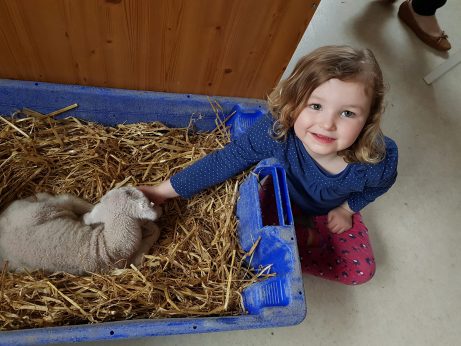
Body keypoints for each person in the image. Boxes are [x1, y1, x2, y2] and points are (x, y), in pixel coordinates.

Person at [139, 45, 398, 285]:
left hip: (328, 211)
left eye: (347, 113)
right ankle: (297, 243)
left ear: (369, 119)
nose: (327, 124)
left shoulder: (376, 159)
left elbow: (378, 187)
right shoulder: (276, 132)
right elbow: (226, 159)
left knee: (360, 272)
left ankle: (303, 242)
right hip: (280, 197)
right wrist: (162, 192)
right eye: (316, 106)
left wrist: (346, 209)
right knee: (253, 243)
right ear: (293, 102)